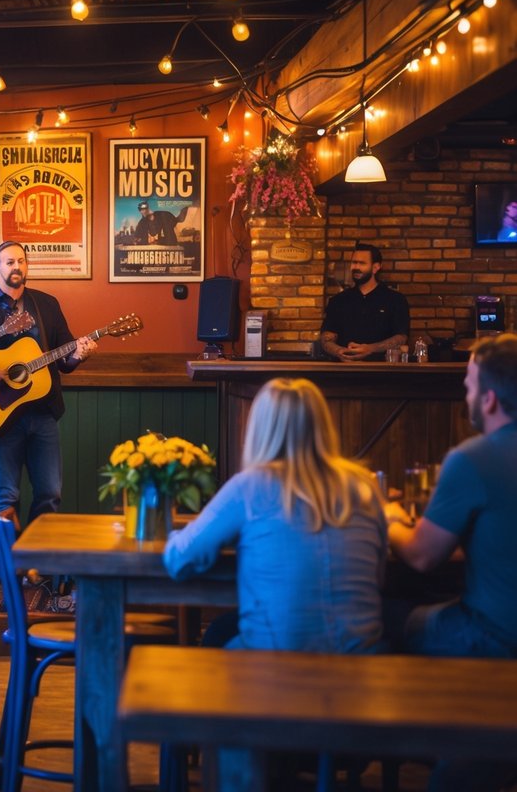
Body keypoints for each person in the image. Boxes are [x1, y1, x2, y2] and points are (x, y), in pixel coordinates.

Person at [164, 378, 387, 652]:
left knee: (215, 639)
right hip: (363, 663)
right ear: (323, 426)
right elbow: (379, 576)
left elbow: (179, 559)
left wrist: (175, 532)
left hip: (273, 663)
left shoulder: (250, 487)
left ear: (259, 430)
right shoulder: (364, 486)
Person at [0, 240, 96, 525]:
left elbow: (64, 358)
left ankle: (36, 554)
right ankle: (8, 556)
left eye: (21, 261)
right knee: (6, 495)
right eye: (10, 262)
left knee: (50, 492)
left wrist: (78, 355)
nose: (17, 267)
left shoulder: (46, 305)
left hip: (42, 412)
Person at [387, 333, 517, 657]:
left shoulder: (474, 458)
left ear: (489, 399)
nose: (467, 396)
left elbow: (422, 556)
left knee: (387, 615)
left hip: (495, 635)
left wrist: (389, 519)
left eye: (469, 387)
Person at [319, 242, 409, 361]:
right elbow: (326, 338)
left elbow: (401, 337)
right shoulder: (338, 300)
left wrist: (370, 349)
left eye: (362, 263)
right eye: (354, 262)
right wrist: (339, 351)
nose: (356, 267)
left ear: (376, 267)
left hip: (383, 369)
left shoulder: (395, 299)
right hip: (345, 368)